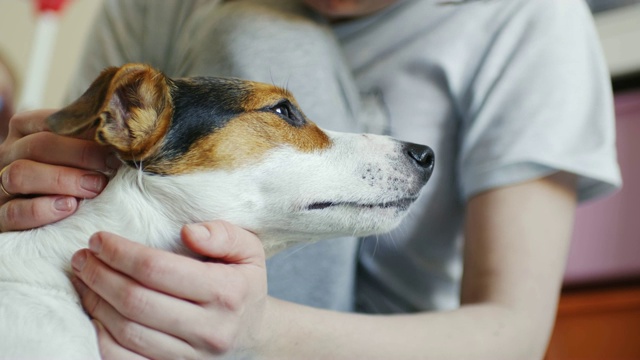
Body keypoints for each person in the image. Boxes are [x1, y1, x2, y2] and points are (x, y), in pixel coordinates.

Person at [0, 0, 621, 358]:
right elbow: (71, 149)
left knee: (261, 26)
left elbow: (514, 334)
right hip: (98, 307)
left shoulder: (525, 19)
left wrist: (261, 327)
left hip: (354, 343)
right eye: (284, 116)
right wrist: (26, 174)